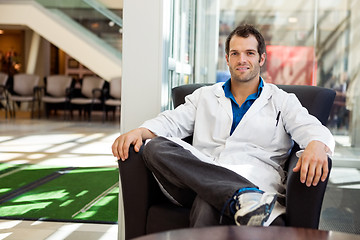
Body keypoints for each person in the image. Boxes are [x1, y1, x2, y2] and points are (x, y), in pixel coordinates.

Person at [112, 24, 335, 227]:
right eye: (235, 53)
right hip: (198, 174)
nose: (242, 60)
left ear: (261, 59)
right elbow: (171, 121)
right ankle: (242, 195)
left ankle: (239, 196)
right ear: (227, 59)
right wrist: (140, 131)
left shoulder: (282, 100)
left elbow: (311, 128)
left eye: (249, 53)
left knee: (207, 201)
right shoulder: (205, 96)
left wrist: (316, 143)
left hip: (254, 180)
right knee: (154, 146)